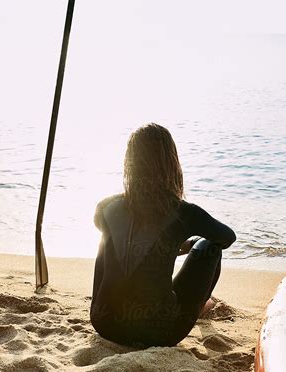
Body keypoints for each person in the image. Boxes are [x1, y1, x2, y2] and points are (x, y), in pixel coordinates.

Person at [90, 123, 236, 348]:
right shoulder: (183, 212)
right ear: (171, 163)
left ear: (130, 164)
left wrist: (162, 246)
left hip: (104, 323)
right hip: (159, 334)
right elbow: (227, 237)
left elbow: (102, 225)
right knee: (208, 244)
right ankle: (201, 304)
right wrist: (186, 243)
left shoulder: (107, 206)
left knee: (107, 235)